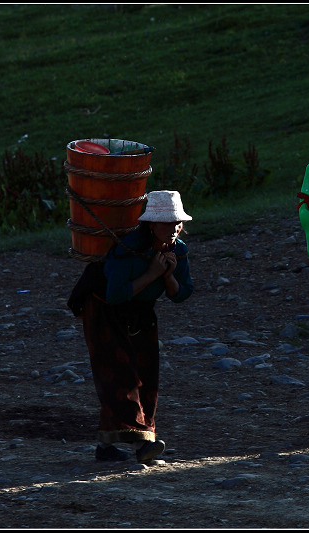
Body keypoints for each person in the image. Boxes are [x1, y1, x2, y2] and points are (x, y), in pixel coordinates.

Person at [80, 190, 194, 463]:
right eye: (167, 223)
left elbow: (182, 294)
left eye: (178, 222)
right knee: (119, 375)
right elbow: (115, 294)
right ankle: (144, 444)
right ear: (151, 224)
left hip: (141, 312)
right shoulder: (127, 250)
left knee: (147, 375)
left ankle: (106, 447)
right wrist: (152, 274)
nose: (174, 228)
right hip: (104, 310)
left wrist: (167, 276)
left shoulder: (177, 250)